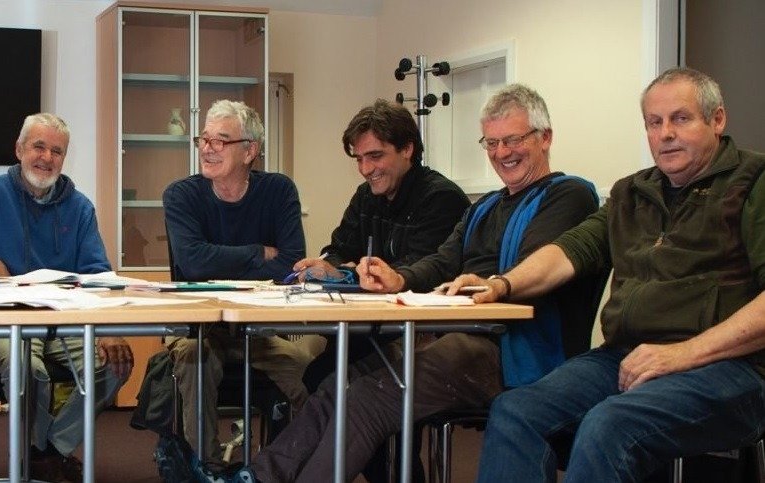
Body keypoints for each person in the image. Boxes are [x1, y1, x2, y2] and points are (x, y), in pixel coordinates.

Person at [249, 84, 602, 482]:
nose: (502, 153)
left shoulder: (570, 195)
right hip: (455, 336)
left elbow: (534, 268)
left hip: (510, 350)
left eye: (514, 140)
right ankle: (260, 477)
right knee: (335, 386)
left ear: (546, 137)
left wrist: (488, 284)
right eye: (492, 142)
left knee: (366, 399)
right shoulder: (485, 206)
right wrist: (398, 278)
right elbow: (442, 261)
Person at [461, 68, 765, 482]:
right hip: (627, 356)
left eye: (681, 118)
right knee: (515, 410)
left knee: (610, 424)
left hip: (731, 366)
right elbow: (569, 252)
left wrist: (682, 353)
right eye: (654, 123)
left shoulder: (754, 182)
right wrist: (501, 285)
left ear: (717, 120)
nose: (666, 133)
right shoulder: (631, 193)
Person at [288, 98, 470, 480]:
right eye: (359, 159)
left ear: (407, 149)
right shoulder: (365, 196)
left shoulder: (442, 198)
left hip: (419, 335)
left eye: (374, 156)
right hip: (371, 330)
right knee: (317, 375)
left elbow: (419, 272)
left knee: (344, 384)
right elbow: (340, 248)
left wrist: (352, 272)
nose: (365, 169)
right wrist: (331, 266)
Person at [0, 112, 133, 482]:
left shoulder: (80, 207)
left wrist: (109, 329)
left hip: (65, 320)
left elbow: (98, 274)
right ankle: (45, 454)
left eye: (57, 151)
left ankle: (48, 448)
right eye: (39, 146)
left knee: (116, 363)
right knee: (28, 369)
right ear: (19, 149)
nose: (47, 157)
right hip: (2, 320)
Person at [163, 99, 313, 460]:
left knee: (314, 376)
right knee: (194, 359)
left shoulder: (278, 191)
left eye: (221, 140)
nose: (208, 148)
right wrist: (258, 253)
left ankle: (290, 464)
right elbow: (194, 264)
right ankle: (208, 468)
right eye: (204, 139)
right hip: (198, 330)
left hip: (259, 330)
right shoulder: (181, 195)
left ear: (250, 151)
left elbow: (292, 265)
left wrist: (220, 262)